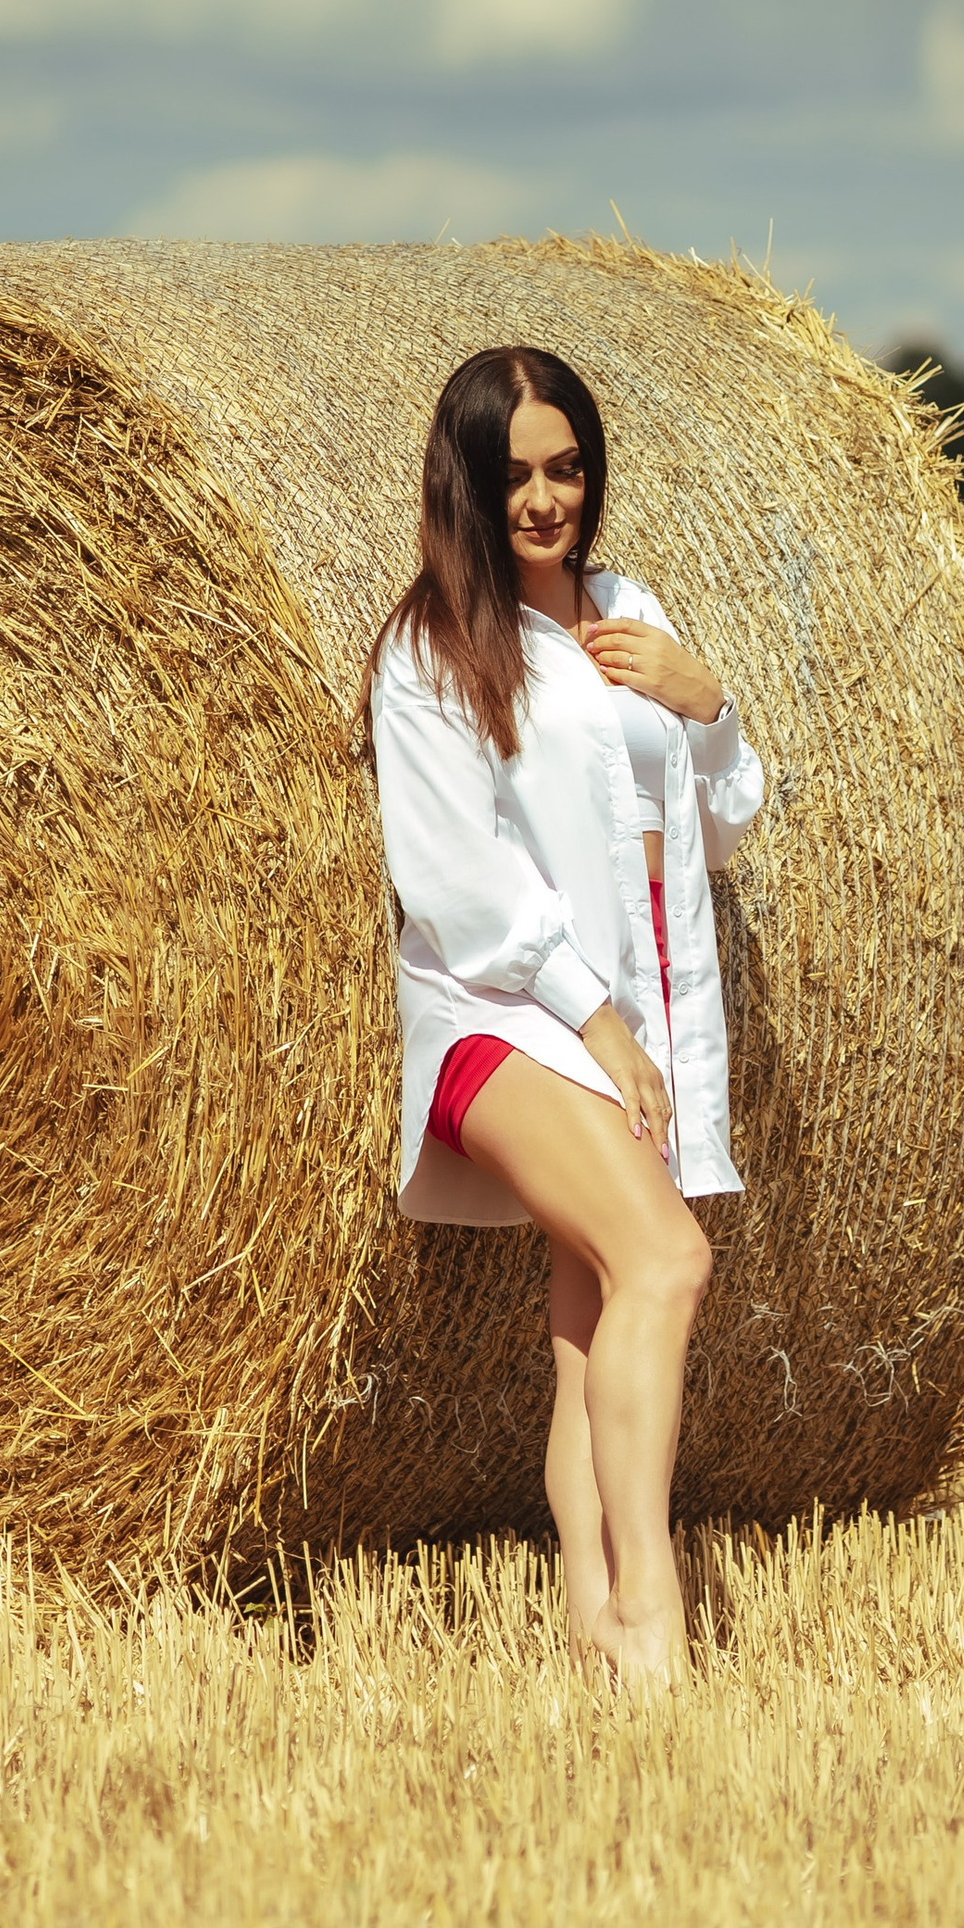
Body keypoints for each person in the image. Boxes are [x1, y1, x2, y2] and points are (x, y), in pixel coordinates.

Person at [363, 343, 772, 1691]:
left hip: (635, 996)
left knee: (591, 1321)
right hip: (502, 1012)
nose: (546, 499)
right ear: (468, 485)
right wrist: (595, 1020)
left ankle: (597, 1627)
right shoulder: (429, 651)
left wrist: (708, 706)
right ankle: (654, 1602)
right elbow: (458, 883)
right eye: (516, 475)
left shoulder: (628, 615)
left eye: (567, 469)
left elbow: (709, 832)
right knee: (666, 1260)